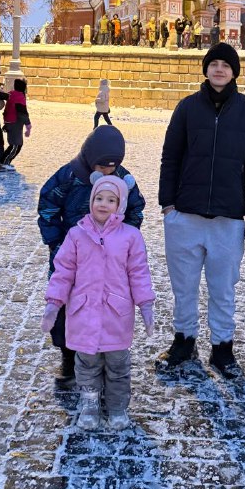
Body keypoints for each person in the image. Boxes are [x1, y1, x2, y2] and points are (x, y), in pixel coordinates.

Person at [158, 42, 245, 376]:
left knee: (223, 290)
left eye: (226, 65)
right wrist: (168, 205)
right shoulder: (187, 108)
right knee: (184, 288)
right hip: (185, 216)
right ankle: (184, 340)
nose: (219, 69)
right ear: (206, 69)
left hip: (228, 218)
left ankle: (222, 348)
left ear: (234, 72)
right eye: (214, 63)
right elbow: (170, 157)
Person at [41, 176, 155, 430]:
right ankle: (90, 404)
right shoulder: (76, 234)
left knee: (118, 366)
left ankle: (117, 407)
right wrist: (54, 303)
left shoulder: (131, 237)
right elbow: (63, 271)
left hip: (116, 315)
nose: (103, 204)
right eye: (99, 198)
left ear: (120, 205)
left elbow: (139, 273)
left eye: (111, 200)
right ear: (91, 200)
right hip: (83, 315)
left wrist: (145, 304)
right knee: (86, 366)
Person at [38, 126, 146, 387]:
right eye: (101, 166)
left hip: (108, 260)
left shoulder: (123, 179)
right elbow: (47, 207)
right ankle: (68, 356)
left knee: (105, 305)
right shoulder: (68, 176)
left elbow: (135, 209)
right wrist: (56, 243)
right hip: (72, 254)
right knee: (66, 305)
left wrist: (122, 241)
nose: (107, 172)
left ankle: (104, 354)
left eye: (112, 167)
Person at [1, 79, 31, 169]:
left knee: (13, 144)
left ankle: (4, 161)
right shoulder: (19, 97)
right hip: (15, 123)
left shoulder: (11, 94)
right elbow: (22, 113)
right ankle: (4, 162)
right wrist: (28, 125)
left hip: (9, 122)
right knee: (16, 145)